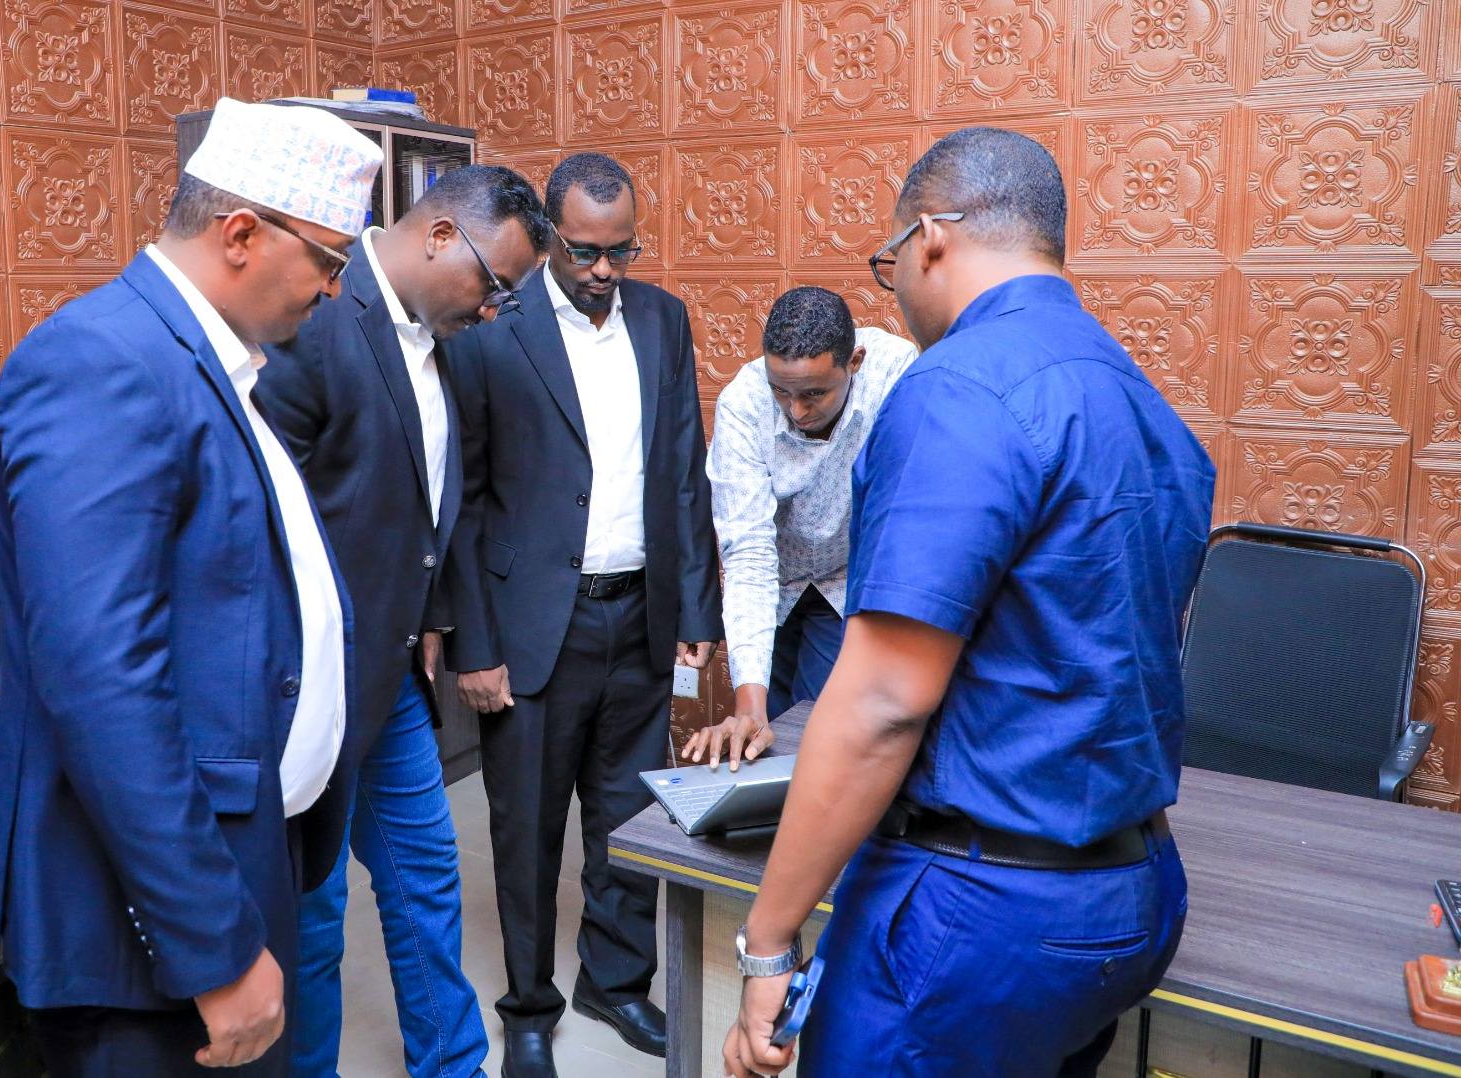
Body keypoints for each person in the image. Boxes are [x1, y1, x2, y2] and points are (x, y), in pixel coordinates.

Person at [720, 127, 1216, 1077]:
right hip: (1131, 893)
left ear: (931, 238)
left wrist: (768, 945)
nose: (896, 288)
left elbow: (883, 703)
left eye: (890, 262)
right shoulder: (1139, 395)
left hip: (981, 908)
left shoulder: (957, 385)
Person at [0, 98, 382, 1076]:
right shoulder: (102, 361)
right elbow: (102, 680)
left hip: (236, 853)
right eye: (328, 260)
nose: (334, 290)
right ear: (240, 234)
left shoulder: (209, 361)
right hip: (150, 926)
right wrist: (213, 945)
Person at [254, 164, 549, 1078]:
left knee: (426, 877)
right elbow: (264, 520)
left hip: (388, 682)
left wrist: (429, 616)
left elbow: (431, 503)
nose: (494, 309)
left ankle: (452, 1065)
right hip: (308, 685)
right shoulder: (316, 317)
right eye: (494, 284)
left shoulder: (447, 338)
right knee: (316, 912)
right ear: (438, 236)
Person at [444, 151, 724, 1077]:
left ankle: (616, 980)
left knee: (629, 818)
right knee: (526, 828)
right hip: (532, 629)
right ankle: (529, 1007)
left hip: (640, 615)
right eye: (585, 251)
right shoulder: (491, 326)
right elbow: (463, 500)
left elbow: (683, 472)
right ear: (550, 238)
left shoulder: (663, 320)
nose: (605, 270)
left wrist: (696, 607)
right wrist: (474, 645)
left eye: (622, 250)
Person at [683, 286, 918, 772]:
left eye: (813, 393)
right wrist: (748, 707)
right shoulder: (744, 402)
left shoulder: (894, 372)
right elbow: (748, 553)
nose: (796, 410)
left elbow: (908, 510)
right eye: (781, 391)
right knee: (763, 733)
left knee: (818, 742)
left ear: (854, 362)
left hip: (847, 579)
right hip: (773, 583)